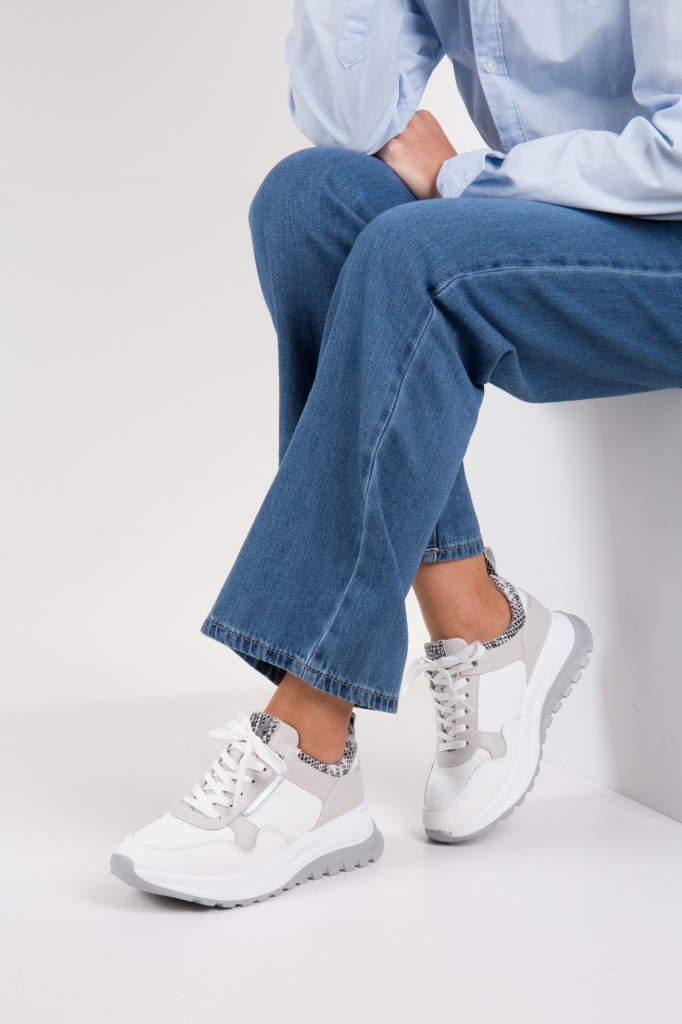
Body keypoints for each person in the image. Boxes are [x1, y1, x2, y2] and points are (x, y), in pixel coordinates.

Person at [110, 1, 682, 908]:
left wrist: (464, 179)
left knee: (416, 255)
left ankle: (312, 740)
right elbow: (350, 122)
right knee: (309, 200)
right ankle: (477, 618)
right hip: (560, 221)